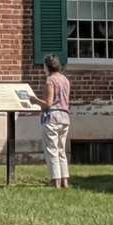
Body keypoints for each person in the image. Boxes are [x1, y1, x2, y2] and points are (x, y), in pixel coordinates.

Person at [34, 54, 71, 189]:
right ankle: (65, 181)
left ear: (46, 66)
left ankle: (55, 181)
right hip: (65, 118)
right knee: (61, 151)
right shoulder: (65, 79)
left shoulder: (50, 80)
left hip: (52, 118)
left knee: (52, 150)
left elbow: (48, 104)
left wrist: (34, 100)